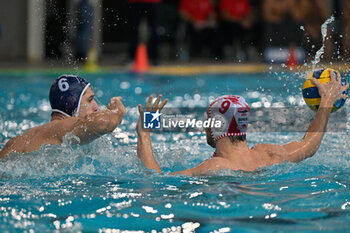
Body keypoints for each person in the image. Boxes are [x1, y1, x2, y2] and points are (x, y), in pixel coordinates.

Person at [137, 70, 349, 176]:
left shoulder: (214, 167)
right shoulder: (269, 155)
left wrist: (145, 130)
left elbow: (155, 179)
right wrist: (326, 105)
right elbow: (309, 146)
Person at [0, 75, 126, 158]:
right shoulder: (62, 127)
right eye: (90, 100)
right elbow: (102, 123)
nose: (96, 107)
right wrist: (117, 113)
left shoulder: (18, 140)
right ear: (72, 104)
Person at [127, 0, 162, 65]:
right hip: (135, 2)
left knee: (154, 29)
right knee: (133, 29)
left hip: (152, 2)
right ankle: (131, 57)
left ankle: (155, 57)